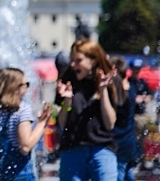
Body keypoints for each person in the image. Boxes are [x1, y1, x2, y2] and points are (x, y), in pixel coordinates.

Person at [57, 40, 119, 181]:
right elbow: (62, 123)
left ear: (94, 60)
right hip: (72, 149)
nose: (73, 65)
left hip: (102, 149)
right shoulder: (68, 79)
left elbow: (110, 124)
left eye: (78, 60)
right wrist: (67, 102)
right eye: (72, 60)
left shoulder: (109, 80)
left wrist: (102, 90)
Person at [0, 67, 51, 181]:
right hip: (19, 174)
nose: (27, 87)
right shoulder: (22, 110)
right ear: (16, 88)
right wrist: (42, 123)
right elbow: (25, 147)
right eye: (25, 84)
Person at [111, 55, 140, 181]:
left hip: (119, 144)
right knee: (129, 174)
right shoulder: (131, 88)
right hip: (130, 143)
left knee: (120, 175)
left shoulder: (119, 94)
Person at [128, 58, 153, 155]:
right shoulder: (128, 82)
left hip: (141, 115)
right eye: (135, 68)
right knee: (132, 137)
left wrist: (142, 98)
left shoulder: (142, 82)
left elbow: (149, 96)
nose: (136, 71)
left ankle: (140, 157)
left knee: (142, 139)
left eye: (138, 68)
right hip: (132, 115)